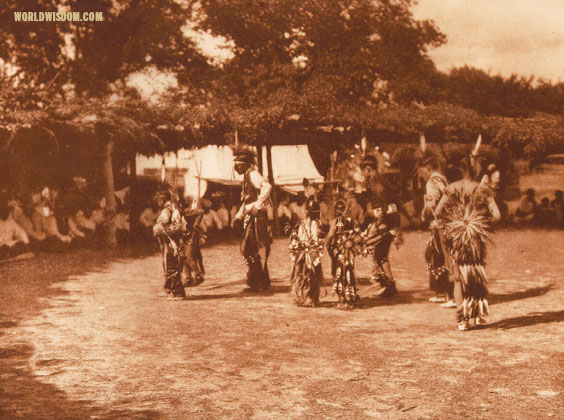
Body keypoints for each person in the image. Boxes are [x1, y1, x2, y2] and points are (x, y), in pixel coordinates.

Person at [435, 155, 501, 331]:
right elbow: (497, 215)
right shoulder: (483, 189)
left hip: (457, 239)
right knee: (476, 275)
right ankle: (477, 315)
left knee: (458, 278)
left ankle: (462, 319)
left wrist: (454, 224)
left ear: (460, 169)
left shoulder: (451, 188)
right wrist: (479, 222)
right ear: (477, 170)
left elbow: (438, 212)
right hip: (475, 238)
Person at [233, 149, 272, 292]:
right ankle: (258, 281)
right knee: (249, 250)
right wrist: (238, 216)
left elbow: (267, 187)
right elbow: (247, 201)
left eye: (238, 165)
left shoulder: (253, 174)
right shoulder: (247, 176)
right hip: (250, 216)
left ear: (244, 165)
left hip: (257, 217)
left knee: (249, 249)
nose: (236, 168)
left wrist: (258, 205)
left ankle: (259, 282)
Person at [360, 155, 400, 298]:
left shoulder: (375, 182)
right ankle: (389, 284)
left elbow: (381, 203)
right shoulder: (384, 180)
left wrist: (378, 220)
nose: (363, 175)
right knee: (382, 254)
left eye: (364, 171)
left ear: (368, 169)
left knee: (366, 248)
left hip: (382, 221)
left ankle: (379, 282)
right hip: (391, 221)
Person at [420, 156, 454, 307]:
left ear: (428, 168)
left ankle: (448, 293)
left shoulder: (432, 182)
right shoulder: (443, 180)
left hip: (438, 224)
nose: (422, 173)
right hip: (446, 223)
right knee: (438, 256)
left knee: (436, 256)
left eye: (422, 170)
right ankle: (442, 291)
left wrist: (424, 214)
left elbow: (432, 204)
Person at [325, 200, 362, 309]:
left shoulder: (335, 221)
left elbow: (330, 235)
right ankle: (350, 296)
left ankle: (342, 298)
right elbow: (359, 235)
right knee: (349, 271)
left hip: (339, 252)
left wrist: (326, 244)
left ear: (336, 211)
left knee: (339, 273)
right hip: (350, 253)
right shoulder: (353, 221)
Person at [288, 197, 323, 306]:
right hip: (303, 250)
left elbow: (316, 238)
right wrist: (297, 245)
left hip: (310, 251)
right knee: (299, 270)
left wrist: (313, 248)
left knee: (311, 272)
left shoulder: (315, 223)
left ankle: (311, 297)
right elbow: (299, 235)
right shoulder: (303, 223)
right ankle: (299, 294)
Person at [153, 188, 186, 300]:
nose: (158, 203)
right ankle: (168, 288)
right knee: (168, 265)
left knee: (171, 265)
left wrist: (158, 229)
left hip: (171, 242)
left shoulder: (167, 211)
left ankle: (178, 292)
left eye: (158, 200)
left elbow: (169, 226)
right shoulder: (172, 209)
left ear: (162, 199)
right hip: (169, 242)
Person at [179, 196, 205, 287]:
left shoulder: (186, 211)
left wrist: (196, 224)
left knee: (188, 257)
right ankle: (188, 278)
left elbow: (201, 211)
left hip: (191, 236)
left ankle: (198, 275)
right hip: (184, 236)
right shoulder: (181, 212)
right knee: (184, 257)